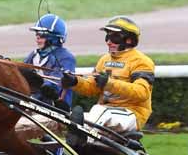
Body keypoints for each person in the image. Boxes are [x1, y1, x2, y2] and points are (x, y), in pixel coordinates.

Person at [61, 16, 154, 145]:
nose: (108, 42)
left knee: (98, 110)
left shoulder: (142, 61)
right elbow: (92, 88)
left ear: (129, 40)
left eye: (114, 38)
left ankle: (82, 139)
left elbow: (142, 93)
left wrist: (109, 83)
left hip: (132, 114)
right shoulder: (104, 60)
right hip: (104, 115)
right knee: (62, 116)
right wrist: (75, 82)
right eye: (107, 37)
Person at [15, 13, 76, 139]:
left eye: (42, 35)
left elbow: (58, 81)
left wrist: (45, 85)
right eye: (36, 34)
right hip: (31, 105)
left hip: (55, 110)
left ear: (54, 38)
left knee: (14, 129)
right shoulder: (34, 55)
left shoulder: (65, 57)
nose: (37, 38)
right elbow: (22, 73)